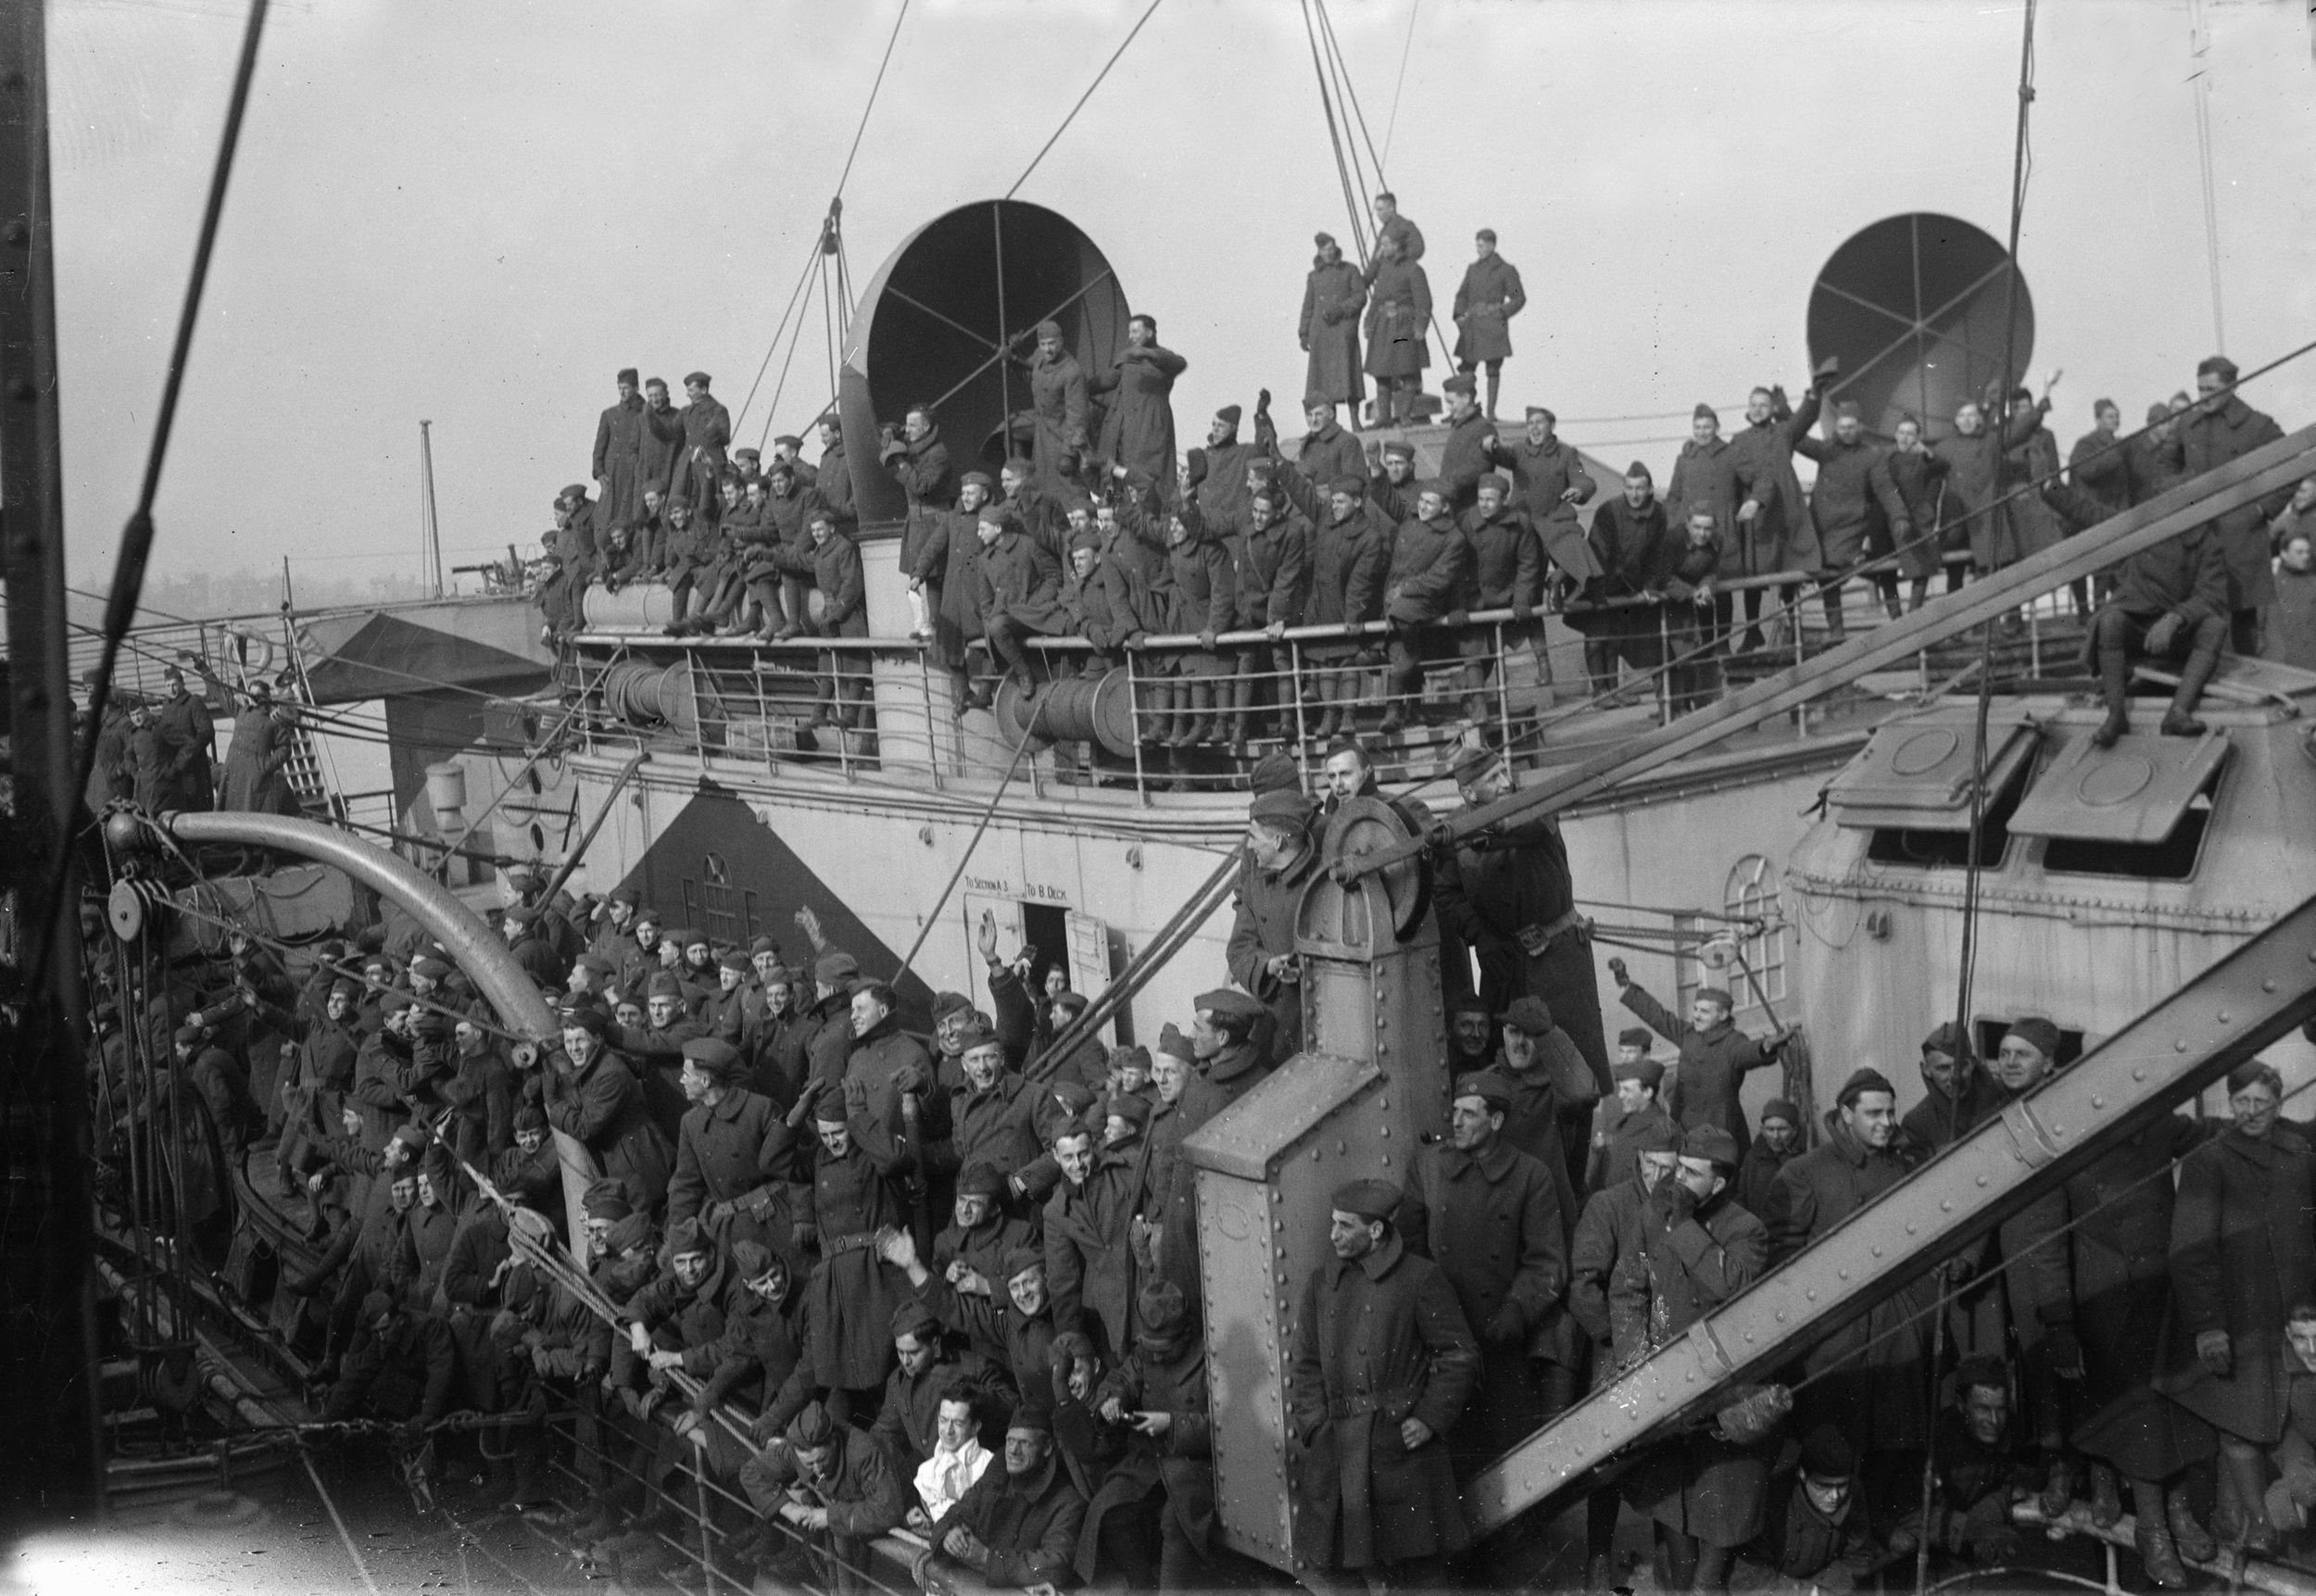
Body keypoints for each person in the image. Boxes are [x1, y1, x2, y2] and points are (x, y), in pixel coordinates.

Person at [1285, 1178, 1479, 1585]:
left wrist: (1429, 1417)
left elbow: (1459, 1353)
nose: (1333, 1234)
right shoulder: (1322, 1283)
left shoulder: (1420, 1278)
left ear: (1376, 1232)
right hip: (1337, 1446)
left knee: (1418, 1573)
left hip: (1396, 1450)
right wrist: (1315, 1426)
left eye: (1346, 1226)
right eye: (1332, 1223)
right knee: (1334, 1570)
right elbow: (1305, 1364)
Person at [2156, 1059, 2316, 1552]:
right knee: (2240, 1425)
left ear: (2279, 1104)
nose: (2250, 1112)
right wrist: (2208, 1327)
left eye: (2260, 1103)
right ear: (2231, 1104)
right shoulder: (2210, 1159)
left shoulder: (2299, 1154)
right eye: (2241, 1102)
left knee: (2289, 1416)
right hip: (2235, 1319)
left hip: (2291, 1318)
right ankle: (2260, 1526)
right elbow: (2190, 1249)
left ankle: (2282, 1509)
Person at [1769, 1069, 1933, 1514]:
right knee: (1835, 1437)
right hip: (1834, 1332)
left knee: (1894, 1433)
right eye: (1874, 1113)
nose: (1886, 1121)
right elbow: (1783, 1257)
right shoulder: (1806, 1171)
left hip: (1894, 1323)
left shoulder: (1903, 1167)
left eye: (1891, 1112)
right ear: (1846, 1114)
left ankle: (1882, 1524)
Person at [1616, 1125, 1770, 1593]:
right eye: (1678, 1166)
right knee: (1669, 1491)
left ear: (1718, 1184)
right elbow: (1629, 1289)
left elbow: (1730, 1287)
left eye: (1690, 1172)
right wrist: (1633, 1359)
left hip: (1723, 1381)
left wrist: (1683, 1228)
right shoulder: (1651, 1215)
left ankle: (1708, 1581)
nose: (1676, 1178)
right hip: (1664, 1376)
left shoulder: (1747, 1229)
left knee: (1722, 1495)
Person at [1395, 1072, 1567, 1478]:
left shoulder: (1531, 1176)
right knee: (1452, 1449)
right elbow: (1410, 1244)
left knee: (1509, 1451)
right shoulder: (1429, 1166)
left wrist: (1517, 1307)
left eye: (1469, 1114)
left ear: (1497, 1122)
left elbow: (1547, 1260)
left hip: (1499, 1335)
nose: (1456, 1121)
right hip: (1443, 1337)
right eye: (1454, 1111)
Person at [1437, 748, 1613, 1091]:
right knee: (1504, 1066)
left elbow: (1519, 828)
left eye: (1505, 772)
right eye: (1493, 778)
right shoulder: (1457, 827)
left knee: (1572, 1070)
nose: (1506, 782)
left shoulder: (1535, 807)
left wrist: (1464, 837)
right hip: (1503, 963)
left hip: (1558, 959)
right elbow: (1447, 893)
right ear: (1469, 794)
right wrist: (1480, 935)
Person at [2044, 463, 2230, 747]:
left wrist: (2175, 618)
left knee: (2214, 627)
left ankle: (2178, 713)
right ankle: (2116, 714)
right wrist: (2051, 490)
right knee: (2110, 620)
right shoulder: (2142, 530)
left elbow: (2211, 595)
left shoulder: (2206, 542)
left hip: (2177, 632)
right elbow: (2093, 515)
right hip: (2137, 625)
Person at [1608, 958, 1789, 1150]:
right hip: (1684, 1126)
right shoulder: (1688, 1034)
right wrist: (1626, 984)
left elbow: (1745, 1052)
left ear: (1723, 1015)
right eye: (1695, 1009)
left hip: (1720, 1130)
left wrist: (1765, 1046)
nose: (1696, 1015)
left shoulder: (1733, 1041)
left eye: (1704, 1011)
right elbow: (1658, 1016)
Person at [2180, 355, 2294, 655]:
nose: (2203, 397)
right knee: (2200, 619)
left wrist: (2263, 509)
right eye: (2200, 389)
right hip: (2199, 540)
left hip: (2241, 541)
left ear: (2232, 387)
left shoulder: (2257, 426)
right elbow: (2167, 466)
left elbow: (2291, 469)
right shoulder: (2188, 425)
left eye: (2210, 390)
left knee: (2243, 626)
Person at [916, 1399, 1088, 1594]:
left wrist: (987, 1559)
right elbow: (959, 1511)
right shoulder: (996, 1474)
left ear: (1047, 1448)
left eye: (1024, 1443)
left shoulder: (1068, 1502)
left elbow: (1056, 1564)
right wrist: (949, 1534)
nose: (1013, 1451)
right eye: (1010, 1441)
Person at [740, 1400, 909, 1593]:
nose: (817, 1469)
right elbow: (751, 1472)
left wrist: (828, 1517)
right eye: (809, 1464)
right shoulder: (795, 1448)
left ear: (834, 1441)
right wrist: (790, 1509)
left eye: (821, 1460)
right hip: (850, 1524)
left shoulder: (864, 1452)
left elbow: (888, 1510)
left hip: (900, 1513)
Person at [1798, 400, 1911, 632]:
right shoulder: (1826, 450)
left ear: (1860, 427)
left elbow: (1885, 488)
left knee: (1865, 570)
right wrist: (1784, 413)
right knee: (1827, 578)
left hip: (1851, 526)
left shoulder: (1872, 455)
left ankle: (1898, 624)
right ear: (1836, 428)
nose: (1846, 431)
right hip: (1823, 526)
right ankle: (1836, 631)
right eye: (1842, 427)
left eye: (1851, 426)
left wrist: (1900, 516)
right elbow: (1798, 438)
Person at [1226, 788, 1319, 1062]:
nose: (1250, 847)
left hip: (1316, 1024)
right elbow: (1239, 948)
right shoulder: (1256, 884)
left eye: (1254, 838)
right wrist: (1267, 965)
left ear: (1278, 841)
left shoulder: (1324, 883)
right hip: (1274, 1023)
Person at [1378, 480, 1472, 732]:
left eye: (1430, 503)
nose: (1422, 506)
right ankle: (1406, 711)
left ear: (1445, 507)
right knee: (1400, 651)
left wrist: (1405, 589)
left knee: (1404, 656)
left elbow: (1440, 577)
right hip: (1395, 601)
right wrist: (1378, 474)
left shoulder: (1454, 538)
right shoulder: (1409, 526)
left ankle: (1394, 711)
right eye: (1421, 500)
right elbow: (1385, 497)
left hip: (1425, 602)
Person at [1580, 461, 1677, 697]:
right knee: (1595, 639)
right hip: (1600, 581)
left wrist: (1648, 588)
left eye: (1640, 488)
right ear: (1624, 488)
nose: (1634, 494)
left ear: (1650, 489)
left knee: (1614, 640)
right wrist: (1599, 591)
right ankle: (1601, 693)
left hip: (1630, 586)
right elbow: (1597, 551)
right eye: (1630, 488)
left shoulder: (1659, 513)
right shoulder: (1609, 510)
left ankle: (1613, 691)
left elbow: (1658, 555)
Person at [1755, 1426, 1889, 1592]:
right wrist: (1810, 1592)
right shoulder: (1774, 1501)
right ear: (1802, 1475)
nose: (1835, 1496)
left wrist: (1826, 1586)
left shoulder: (1853, 1491)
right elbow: (1749, 1580)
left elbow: (1856, 1556)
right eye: (1823, 1486)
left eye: (1842, 1485)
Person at [1089, 313, 1184, 490]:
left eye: (1135, 332)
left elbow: (1179, 363)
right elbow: (1108, 380)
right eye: (1130, 332)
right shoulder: (1128, 359)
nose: (1130, 337)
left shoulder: (1164, 359)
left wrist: (1147, 354)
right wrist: (1080, 385)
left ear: (1149, 333)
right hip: (1124, 429)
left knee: (1147, 476)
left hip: (1150, 429)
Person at [1448, 229, 1524, 420]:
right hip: (1472, 325)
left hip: (1492, 325)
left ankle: (1490, 412)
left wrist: (1501, 313)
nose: (1478, 249)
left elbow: (1519, 298)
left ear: (1492, 245)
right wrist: (1458, 315)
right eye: (1477, 245)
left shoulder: (1506, 269)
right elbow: (1462, 295)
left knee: (1492, 369)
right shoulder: (1472, 269)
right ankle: (1463, 411)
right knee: (1466, 370)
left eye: (1481, 245)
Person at [1883, 414, 1955, 610]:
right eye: (1901, 433)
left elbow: (1943, 466)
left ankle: (1912, 617)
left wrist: (1927, 453)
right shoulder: (1887, 460)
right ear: (1896, 435)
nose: (1905, 438)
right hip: (1895, 521)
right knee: (1892, 571)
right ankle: (1897, 619)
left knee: (1922, 570)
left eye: (1910, 433)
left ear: (1917, 437)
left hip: (1920, 521)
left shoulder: (1922, 460)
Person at [1363, 229, 1431, 427]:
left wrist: (1420, 327)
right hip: (1383, 325)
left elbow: (1424, 302)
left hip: (1404, 325)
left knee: (1407, 370)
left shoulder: (1413, 269)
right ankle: (1384, 417)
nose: (1381, 249)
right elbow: (1376, 299)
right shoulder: (1382, 269)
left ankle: (1405, 415)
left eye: (1385, 244)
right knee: (1381, 372)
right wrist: (1368, 321)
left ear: (1397, 245)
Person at [911, 1386, 996, 1536]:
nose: (948, 1430)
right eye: (943, 1420)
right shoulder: (926, 1470)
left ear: (975, 1427)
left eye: (958, 1423)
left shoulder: (990, 1466)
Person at [1901, 1022, 1995, 1153]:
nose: (1955, 1077)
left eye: (1961, 1066)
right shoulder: (1918, 1123)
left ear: (1973, 1063)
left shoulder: (2002, 1096)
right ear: (1926, 1069)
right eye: (1943, 1068)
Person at [1300, 232, 1366, 412]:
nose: (1328, 253)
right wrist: (1304, 333)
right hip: (1321, 334)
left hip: (1343, 331)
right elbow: (1308, 306)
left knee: (1349, 378)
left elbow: (1360, 296)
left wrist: (1341, 310)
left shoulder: (1350, 270)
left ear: (1336, 248)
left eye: (1331, 249)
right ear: (1319, 252)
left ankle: (1355, 420)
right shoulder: (1314, 277)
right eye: (1324, 250)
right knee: (1324, 383)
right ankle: (1330, 423)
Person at [1022, 320, 1089, 494]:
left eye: (1052, 343)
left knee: (1067, 487)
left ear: (1061, 341)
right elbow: (1025, 375)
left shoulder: (1072, 371)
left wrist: (1069, 453)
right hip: (1042, 432)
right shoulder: (1039, 358)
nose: (1047, 349)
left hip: (1062, 436)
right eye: (1043, 344)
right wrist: (1013, 354)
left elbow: (1077, 417)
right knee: (1043, 484)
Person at [154, 664, 217, 811]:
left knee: (197, 806)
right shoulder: (167, 706)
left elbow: (206, 732)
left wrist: (188, 752)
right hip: (174, 768)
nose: (171, 689)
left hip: (194, 765)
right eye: (168, 685)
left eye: (174, 685)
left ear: (182, 684)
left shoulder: (193, 703)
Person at [593, 368, 648, 529]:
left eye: (626, 388)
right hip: (613, 477)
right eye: (620, 388)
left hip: (634, 474)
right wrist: (600, 473)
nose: (622, 392)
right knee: (607, 520)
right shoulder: (610, 415)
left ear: (636, 388)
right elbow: (599, 449)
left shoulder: (646, 413)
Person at [1737, 1097, 1802, 1219]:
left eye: (1782, 1129)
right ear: (1762, 1130)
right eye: (1770, 1129)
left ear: (1794, 1131)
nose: (1775, 1136)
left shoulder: (1802, 1162)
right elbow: (1741, 1197)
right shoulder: (1753, 1158)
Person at [2273, 526, 2316, 672]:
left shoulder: (2313, 583)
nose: (2305, 556)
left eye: (2307, 552)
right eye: (2299, 552)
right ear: (2284, 554)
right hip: (2283, 664)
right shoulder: (2271, 586)